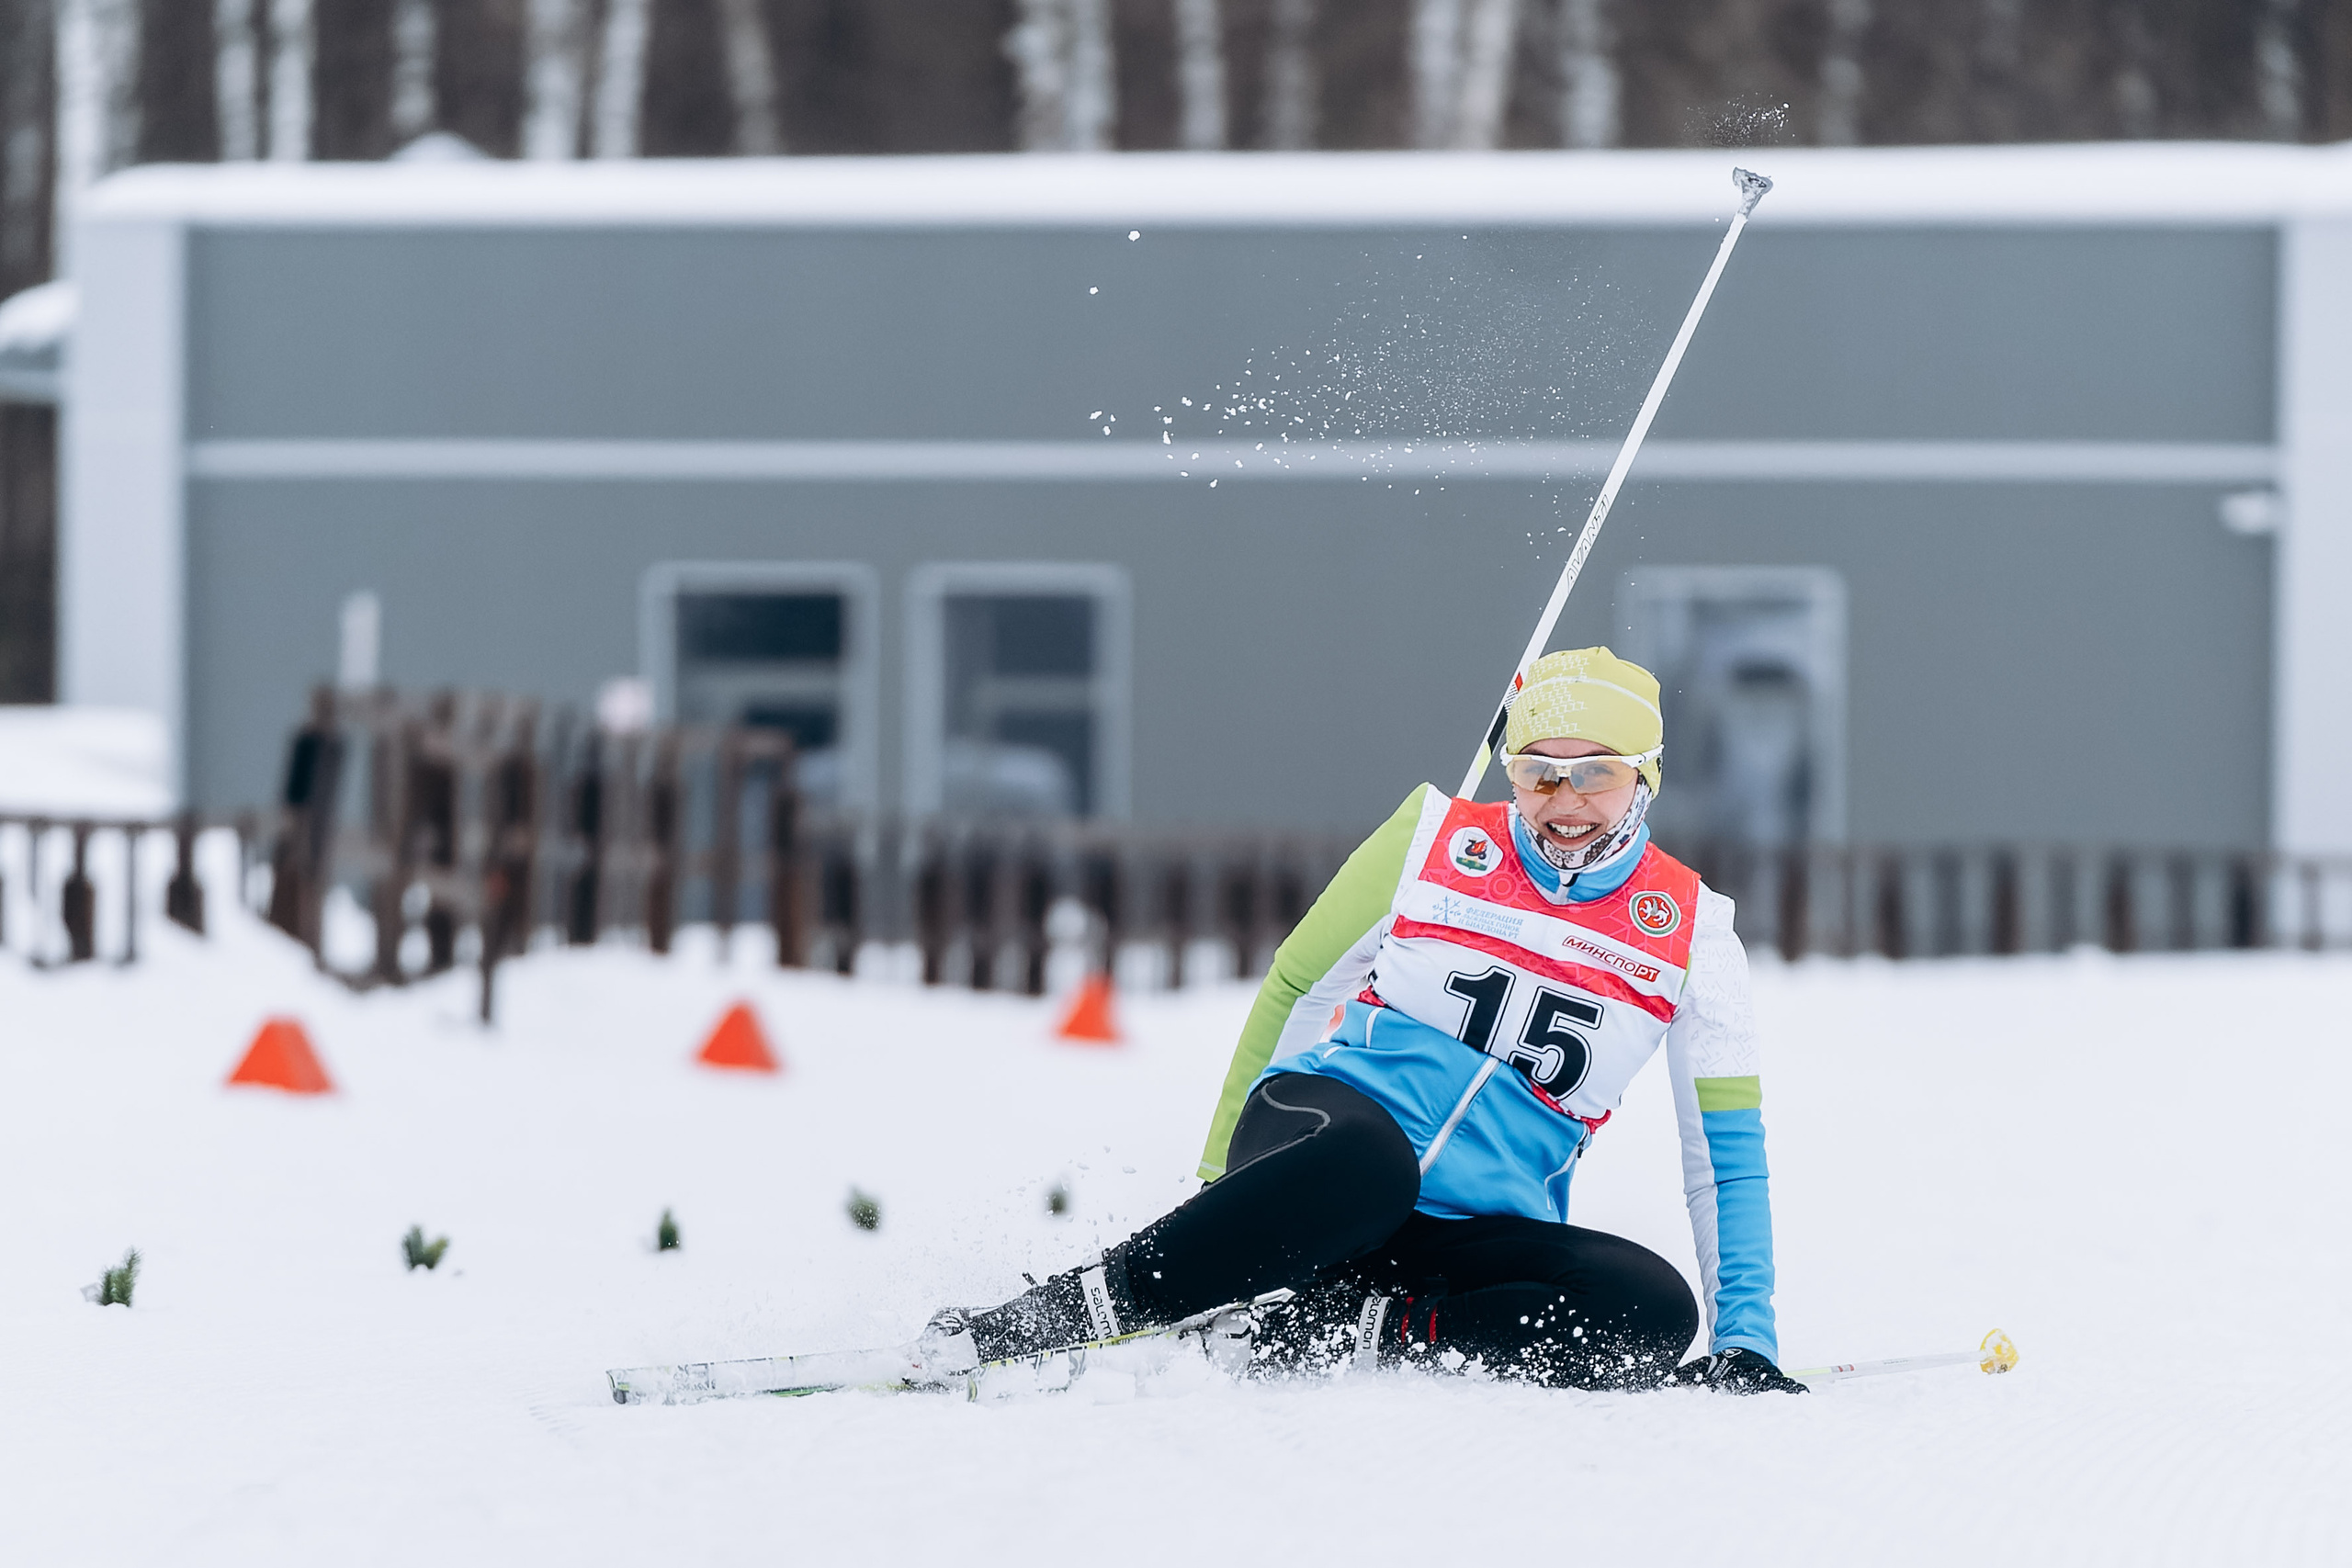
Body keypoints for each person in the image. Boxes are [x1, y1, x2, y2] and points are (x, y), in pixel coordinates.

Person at [923, 647, 1804, 1394]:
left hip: (1458, 1232)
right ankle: (1058, 1315)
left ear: (1644, 778)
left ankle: (1339, 1328)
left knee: (1651, 1310)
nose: (1563, 799)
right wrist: (1219, 1183)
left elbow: (1723, 1153)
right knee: (1371, 1162)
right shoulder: (1432, 838)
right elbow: (1296, 988)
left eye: (1595, 774)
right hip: (1326, 1146)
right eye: (1539, 769)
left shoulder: (1693, 930)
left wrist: (1748, 1340)